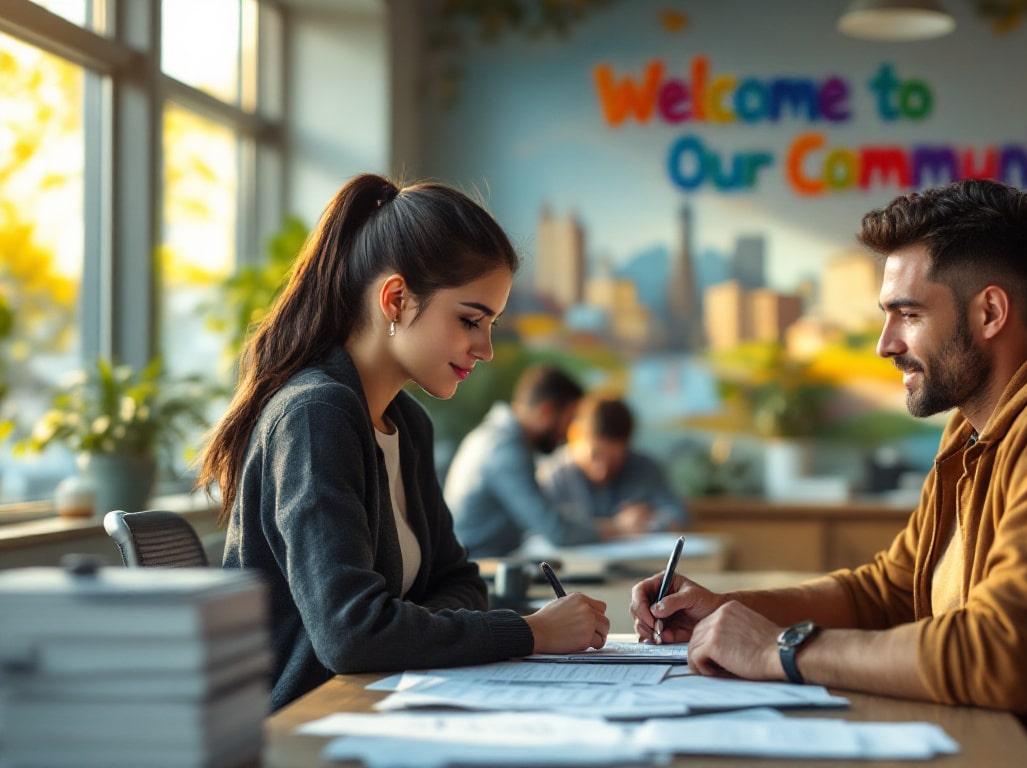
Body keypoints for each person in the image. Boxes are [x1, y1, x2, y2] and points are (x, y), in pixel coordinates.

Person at [630, 179, 1027, 767]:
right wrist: (727, 612)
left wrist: (781, 649)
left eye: (907, 314)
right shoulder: (974, 429)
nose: (886, 344)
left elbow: (1005, 657)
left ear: (990, 312)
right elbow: (888, 593)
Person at [196, 173, 609, 711]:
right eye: (469, 321)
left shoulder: (406, 424)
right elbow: (352, 635)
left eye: (491, 326)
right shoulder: (316, 416)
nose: (484, 349)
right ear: (396, 299)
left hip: (385, 704)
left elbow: (460, 581)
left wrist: (408, 624)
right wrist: (530, 632)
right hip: (303, 726)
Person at [447, 364, 615, 557]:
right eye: (568, 422)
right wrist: (618, 528)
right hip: (480, 567)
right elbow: (556, 531)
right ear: (546, 411)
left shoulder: (496, 436)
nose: (567, 434)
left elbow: (547, 516)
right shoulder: (505, 450)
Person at [538, 395, 688, 533]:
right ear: (574, 436)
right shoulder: (554, 474)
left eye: (613, 460)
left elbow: (679, 515)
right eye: (595, 455)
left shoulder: (644, 468)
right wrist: (617, 527)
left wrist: (649, 522)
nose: (601, 470)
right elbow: (545, 527)